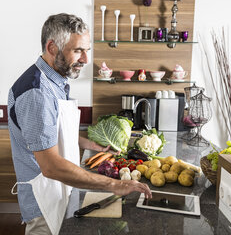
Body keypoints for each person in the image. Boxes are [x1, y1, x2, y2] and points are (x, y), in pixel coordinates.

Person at [8, 13, 152, 235]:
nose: (85, 59)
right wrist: (115, 185)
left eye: (87, 51)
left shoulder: (55, 80)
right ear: (52, 47)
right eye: (78, 51)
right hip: (44, 201)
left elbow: (51, 131)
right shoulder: (36, 92)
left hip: (61, 189)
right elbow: (50, 166)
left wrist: (91, 145)